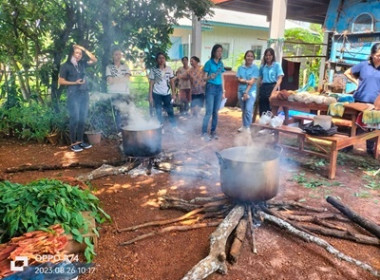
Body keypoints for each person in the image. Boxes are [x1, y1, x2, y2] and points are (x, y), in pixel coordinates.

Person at [59, 44, 97, 152]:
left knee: (82, 118)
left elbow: (94, 60)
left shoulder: (82, 64)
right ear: (72, 53)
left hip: (84, 94)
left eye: (80, 53)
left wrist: (83, 48)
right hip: (73, 95)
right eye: (76, 52)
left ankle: (80, 141)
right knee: (74, 118)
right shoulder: (66, 65)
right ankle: (73, 143)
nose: (78, 55)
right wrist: (74, 82)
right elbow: (61, 81)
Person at [344, 42, 380, 155]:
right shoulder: (364, 65)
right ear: (372, 54)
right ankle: (348, 145)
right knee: (356, 123)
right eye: (378, 55)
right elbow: (347, 72)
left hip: (375, 101)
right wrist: (356, 82)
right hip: (360, 98)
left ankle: (370, 148)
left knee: (372, 125)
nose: (379, 58)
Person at [148, 52, 184, 134]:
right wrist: (150, 96)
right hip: (156, 93)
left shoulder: (169, 69)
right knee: (158, 111)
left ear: (165, 59)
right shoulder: (153, 70)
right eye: (159, 58)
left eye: (163, 58)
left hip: (167, 93)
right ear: (157, 60)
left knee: (170, 110)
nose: (161, 60)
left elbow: (172, 82)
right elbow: (151, 83)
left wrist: (174, 94)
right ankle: (161, 127)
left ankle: (174, 127)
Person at [202, 44, 225, 140]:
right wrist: (209, 77)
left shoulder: (221, 64)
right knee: (209, 111)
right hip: (210, 88)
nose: (219, 53)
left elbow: (222, 77)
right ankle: (204, 133)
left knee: (215, 111)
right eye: (218, 51)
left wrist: (223, 91)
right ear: (214, 52)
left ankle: (213, 131)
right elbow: (204, 78)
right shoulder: (208, 63)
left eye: (221, 51)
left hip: (219, 88)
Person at [106, 47, 132, 131]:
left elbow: (127, 79)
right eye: (116, 54)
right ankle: (119, 132)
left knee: (127, 112)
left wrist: (115, 79)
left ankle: (128, 130)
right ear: (112, 56)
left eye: (119, 54)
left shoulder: (125, 67)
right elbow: (110, 81)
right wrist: (122, 78)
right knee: (117, 113)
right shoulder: (109, 67)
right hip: (114, 93)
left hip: (125, 92)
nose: (118, 56)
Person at [236, 50, 259, 133]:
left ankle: (248, 127)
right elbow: (238, 79)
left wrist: (246, 92)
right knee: (244, 110)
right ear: (245, 57)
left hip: (251, 91)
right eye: (248, 56)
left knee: (248, 109)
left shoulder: (255, 68)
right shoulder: (240, 68)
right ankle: (244, 125)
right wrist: (246, 81)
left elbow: (252, 82)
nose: (249, 58)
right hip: (240, 91)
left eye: (251, 56)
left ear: (253, 58)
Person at [258, 48, 284, 116]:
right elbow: (260, 77)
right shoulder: (262, 66)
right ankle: (263, 124)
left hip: (273, 86)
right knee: (262, 108)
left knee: (272, 108)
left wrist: (273, 91)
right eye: (266, 55)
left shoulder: (277, 65)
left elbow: (280, 79)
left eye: (270, 55)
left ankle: (270, 124)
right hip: (264, 87)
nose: (268, 57)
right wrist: (260, 84)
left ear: (273, 56)